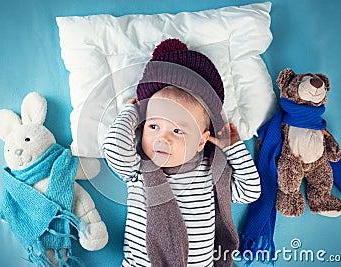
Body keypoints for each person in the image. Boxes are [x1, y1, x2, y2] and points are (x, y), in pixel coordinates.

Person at [103, 39, 260, 267]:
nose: (163, 138)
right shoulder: (138, 168)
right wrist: (133, 110)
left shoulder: (210, 171)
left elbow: (250, 191)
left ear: (200, 141)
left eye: (177, 130)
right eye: (153, 126)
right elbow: (113, 147)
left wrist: (232, 147)